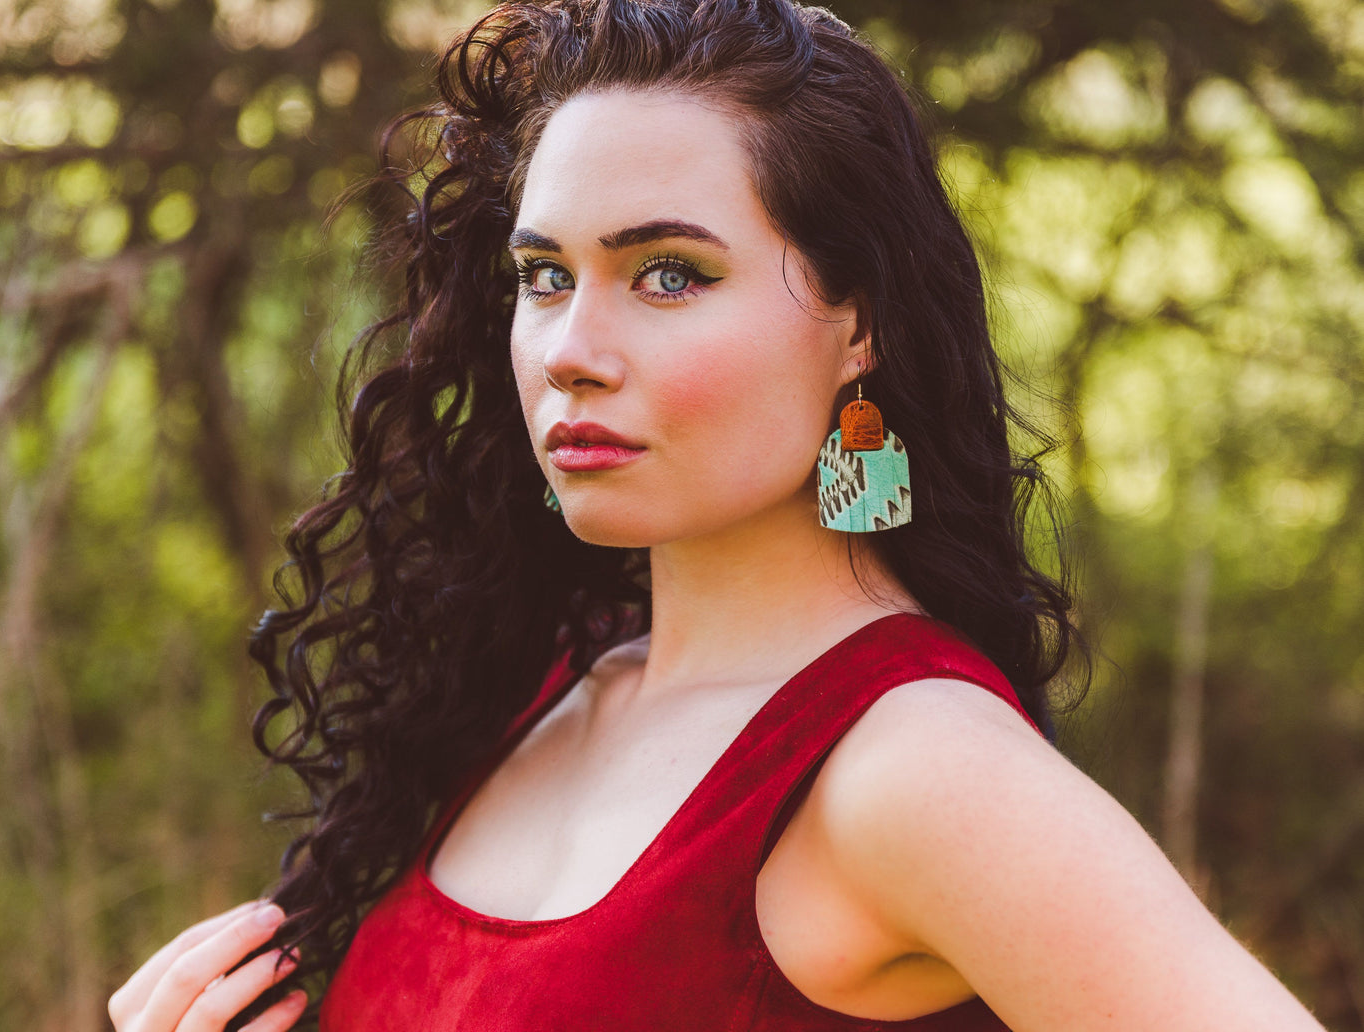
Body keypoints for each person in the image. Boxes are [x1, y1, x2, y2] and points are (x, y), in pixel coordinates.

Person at [108, 0, 1330, 1029]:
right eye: (544, 277)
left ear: (861, 325)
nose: (571, 351)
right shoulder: (543, 690)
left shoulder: (915, 771)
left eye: (668, 275)